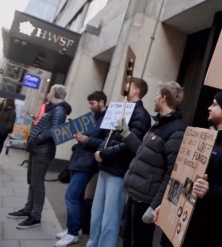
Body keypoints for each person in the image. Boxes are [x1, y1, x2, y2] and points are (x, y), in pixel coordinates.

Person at [156, 90, 222, 247]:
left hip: (203, 232)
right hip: (179, 226)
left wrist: (210, 191)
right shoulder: (202, 137)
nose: (209, 108)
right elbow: (183, 175)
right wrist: (167, 205)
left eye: (214, 104)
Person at [117, 81, 186, 247]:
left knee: (139, 243)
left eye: (156, 95)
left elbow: (172, 173)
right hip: (136, 195)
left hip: (146, 200)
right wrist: (126, 133)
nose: (154, 98)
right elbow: (143, 152)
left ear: (163, 98)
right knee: (127, 240)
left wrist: (155, 205)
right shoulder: (159, 124)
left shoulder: (176, 130)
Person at [86, 78, 151, 247]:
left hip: (119, 170)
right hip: (106, 166)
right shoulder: (121, 108)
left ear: (136, 90)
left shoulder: (140, 115)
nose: (125, 88)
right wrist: (101, 151)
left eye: (129, 85)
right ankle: (93, 243)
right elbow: (108, 136)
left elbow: (130, 144)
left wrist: (104, 153)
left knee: (111, 217)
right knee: (97, 213)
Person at [8, 85, 72, 229]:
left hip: (43, 151)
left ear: (54, 94)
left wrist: (37, 139)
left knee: (37, 183)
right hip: (37, 150)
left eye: (50, 92)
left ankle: (35, 216)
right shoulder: (53, 109)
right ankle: (28, 209)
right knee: (32, 181)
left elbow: (55, 131)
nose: (47, 94)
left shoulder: (59, 110)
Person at [54, 91, 109, 247]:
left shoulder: (107, 118)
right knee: (77, 197)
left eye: (92, 103)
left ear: (101, 102)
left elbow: (106, 142)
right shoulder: (92, 117)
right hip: (78, 160)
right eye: (89, 103)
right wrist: (79, 138)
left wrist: (87, 140)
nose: (90, 106)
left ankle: (72, 233)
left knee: (71, 195)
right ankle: (74, 229)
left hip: (87, 163)